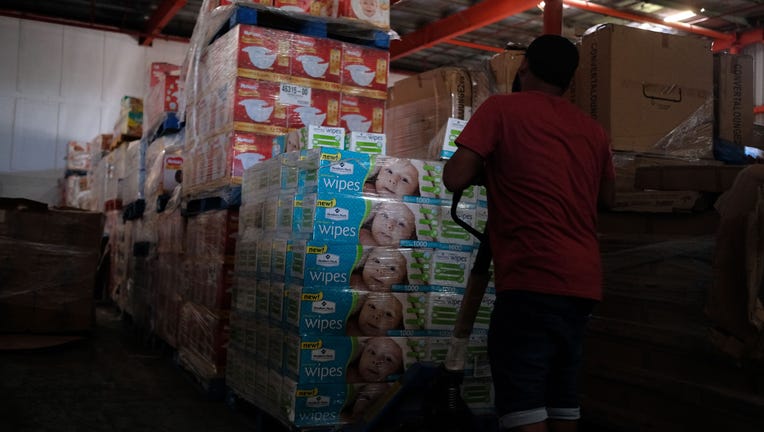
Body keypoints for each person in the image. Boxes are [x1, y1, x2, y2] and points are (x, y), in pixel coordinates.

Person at [443, 34, 616, 432]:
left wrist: (494, 169)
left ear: (523, 68)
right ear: (569, 82)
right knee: (561, 397)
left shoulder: (501, 109)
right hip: (583, 283)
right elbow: (607, 198)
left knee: (522, 399)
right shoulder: (593, 131)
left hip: (531, 276)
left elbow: (454, 177)